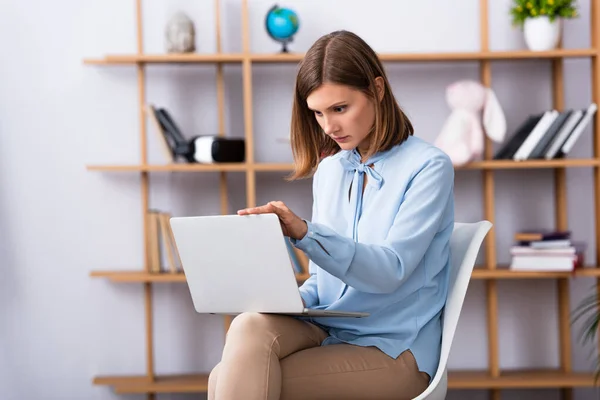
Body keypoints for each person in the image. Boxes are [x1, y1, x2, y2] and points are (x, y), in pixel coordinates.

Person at [207, 30, 455, 400]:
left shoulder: (429, 167)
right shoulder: (330, 171)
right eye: (318, 113)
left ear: (378, 90)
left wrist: (306, 234)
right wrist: (283, 298)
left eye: (340, 108)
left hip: (395, 349)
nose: (329, 127)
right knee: (248, 327)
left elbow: (390, 270)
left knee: (230, 378)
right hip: (331, 326)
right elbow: (325, 282)